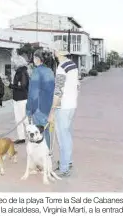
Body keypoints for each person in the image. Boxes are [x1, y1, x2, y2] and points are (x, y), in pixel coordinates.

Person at [48, 49, 79, 177]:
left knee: (62, 137)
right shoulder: (72, 65)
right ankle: (68, 160)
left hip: (63, 107)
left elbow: (58, 91)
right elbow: (77, 84)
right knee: (67, 135)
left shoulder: (61, 68)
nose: (53, 53)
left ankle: (64, 168)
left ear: (57, 52)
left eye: (54, 50)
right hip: (72, 105)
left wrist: (52, 111)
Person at [26, 48, 56, 149]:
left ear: (38, 59)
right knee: (45, 131)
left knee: (37, 131)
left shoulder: (37, 71)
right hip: (48, 106)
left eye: (34, 57)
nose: (33, 59)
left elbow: (33, 93)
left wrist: (29, 110)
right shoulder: (50, 71)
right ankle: (47, 153)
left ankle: (40, 155)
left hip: (38, 107)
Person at [9, 52, 30, 144]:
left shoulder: (23, 72)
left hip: (22, 99)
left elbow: (23, 86)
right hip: (17, 99)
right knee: (18, 119)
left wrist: (11, 86)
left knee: (25, 119)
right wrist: (12, 85)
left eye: (13, 63)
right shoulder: (19, 72)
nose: (12, 65)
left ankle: (30, 136)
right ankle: (21, 137)